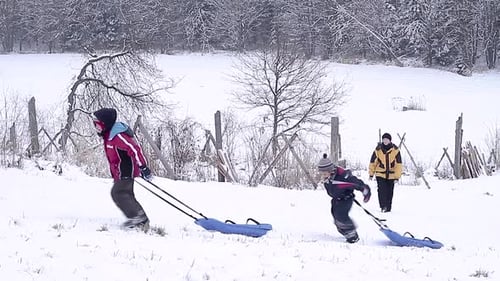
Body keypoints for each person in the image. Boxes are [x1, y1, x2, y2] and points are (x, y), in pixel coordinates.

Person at [93, 108, 153, 230]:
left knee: (118, 193)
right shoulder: (109, 135)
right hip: (119, 172)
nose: (97, 128)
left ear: (106, 124)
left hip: (126, 170)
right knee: (125, 194)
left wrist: (143, 166)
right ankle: (138, 219)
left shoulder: (117, 136)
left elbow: (135, 148)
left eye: (98, 125)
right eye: (95, 125)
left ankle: (138, 217)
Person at [318, 154, 371, 243]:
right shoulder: (328, 178)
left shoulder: (342, 178)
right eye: (321, 173)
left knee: (341, 216)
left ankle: (352, 235)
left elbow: (356, 183)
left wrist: (365, 190)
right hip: (336, 199)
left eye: (325, 173)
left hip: (346, 199)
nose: (323, 175)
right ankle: (344, 230)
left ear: (330, 170)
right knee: (336, 217)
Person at [368, 132, 402, 213]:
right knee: (381, 190)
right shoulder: (378, 150)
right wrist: (371, 174)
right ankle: (383, 206)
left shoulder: (396, 150)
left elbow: (398, 164)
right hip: (380, 173)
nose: (385, 141)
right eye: (384, 139)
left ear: (390, 140)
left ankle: (388, 208)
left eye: (387, 139)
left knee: (389, 192)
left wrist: (397, 176)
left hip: (391, 174)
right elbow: (373, 162)